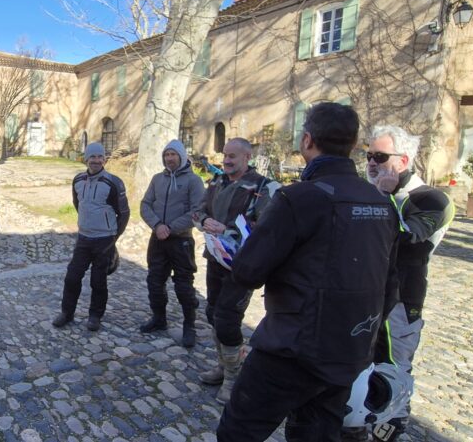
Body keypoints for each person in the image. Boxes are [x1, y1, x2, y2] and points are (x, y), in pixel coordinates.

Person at [216, 103, 400, 442]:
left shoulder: (298, 198)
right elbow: (390, 282)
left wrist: (234, 254)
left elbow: (248, 270)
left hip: (293, 349)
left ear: (307, 141)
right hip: (349, 347)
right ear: (354, 143)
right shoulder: (381, 203)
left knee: (238, 431)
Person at [353, 126, 454, 441]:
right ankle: (358, 423)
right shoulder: (370, 192)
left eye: (380, 156)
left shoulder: (432, 197)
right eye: (368, 155)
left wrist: (381, 198)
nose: (371, 163)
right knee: (360, 367)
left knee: (393, 371)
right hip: (364, 294)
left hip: (400, 300)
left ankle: (388, 432)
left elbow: (408, 238)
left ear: (404, 160)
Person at [192, 138, 279, 402]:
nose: (226, 160)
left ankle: (233, 376)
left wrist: (227, 230)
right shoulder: (217, 182)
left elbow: (267, 227)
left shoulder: (264, 187)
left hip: (242, 265)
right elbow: (198, 212)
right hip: (215, 258)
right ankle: (224, 364)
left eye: (232, 156)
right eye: (225, 155)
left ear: (247, 157)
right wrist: (206, 220)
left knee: (228, 319)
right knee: (212, 312)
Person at [52, 142, 130, 331]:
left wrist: (113, 237)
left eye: (99, 157)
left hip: (105, 240)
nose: (96, 161)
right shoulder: (78, 180)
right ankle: (67, 313)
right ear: (86, 159)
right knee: (72, 277)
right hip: (84, 238)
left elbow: (124, 213)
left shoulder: (113, 182)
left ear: (104, 159)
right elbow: (78, 204)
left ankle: (95, 315)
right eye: (92, 157)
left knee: (98, 280)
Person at [139, 139, 205, 347]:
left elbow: (197, 211)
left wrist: (171, 227)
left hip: (181, 240)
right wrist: (157, 225)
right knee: (155, 281)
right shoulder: (158, 179)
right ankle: (159, 318)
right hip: (158, 239)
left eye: (173, 155)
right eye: (166, 155)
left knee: (184, 285)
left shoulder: (193, 181)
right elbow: (145, 204)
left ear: (181, 156)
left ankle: (189, 326)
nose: (169, 159)